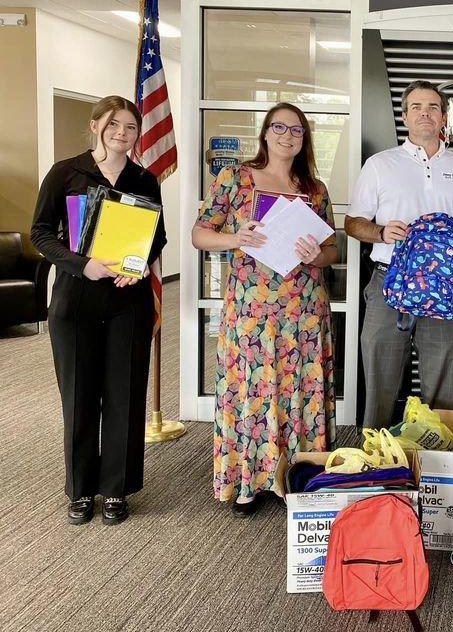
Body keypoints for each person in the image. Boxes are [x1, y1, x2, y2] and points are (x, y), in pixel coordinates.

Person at [192, 102, 338, 517]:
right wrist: (236, 238)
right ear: (265, 132)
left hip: (305, 312)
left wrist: (317, 255)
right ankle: (249, 481)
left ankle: (299, 476)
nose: (287, 136)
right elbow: (199, 235)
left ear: (304, 138)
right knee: (252, 390)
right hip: (252, 312)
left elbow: (331, 250)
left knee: (300, 392)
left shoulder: (314, 189)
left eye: (296, 130)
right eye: (279, 127)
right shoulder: (236, 179)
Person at [31, 95, 167, 526]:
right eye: (114, 125)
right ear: (95, 126)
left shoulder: (144, 178)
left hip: (128, 301)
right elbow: (40, 233)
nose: (122, 134)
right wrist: (81, 264)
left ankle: (115, 489)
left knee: (125, 395)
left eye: (130, 127)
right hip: (75, 299)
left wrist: (141, 263)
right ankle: (80, 489)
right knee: (79, 396)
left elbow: (156, 236)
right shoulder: (65, 173)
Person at [345, 80, 453, 429]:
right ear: (405, 117)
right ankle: (375, 461)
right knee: (379, 379)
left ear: (443, 119)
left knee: (443, 383)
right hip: (388, 282)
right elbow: (352, 223)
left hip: (445, 287)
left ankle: (443, 464)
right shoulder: (379, 165)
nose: (425, 113)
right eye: (416, 108)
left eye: (433, 108)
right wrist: (380, 232)